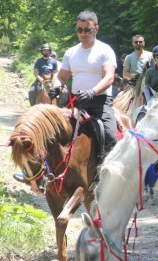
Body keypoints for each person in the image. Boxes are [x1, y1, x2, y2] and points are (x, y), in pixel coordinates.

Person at [49, 10, 118, 160]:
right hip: (75, 102)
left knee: (110, 136)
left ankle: (108, 174)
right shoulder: (71, 52)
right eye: (80, 29)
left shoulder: (105, 50)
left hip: (100, 102)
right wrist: (56, 87)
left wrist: (92, 92)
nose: (83, 33)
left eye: (87, 29)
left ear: (96, 29)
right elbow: (61, 77)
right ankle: (40, 172)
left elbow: (109, 77)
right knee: (50, 130)